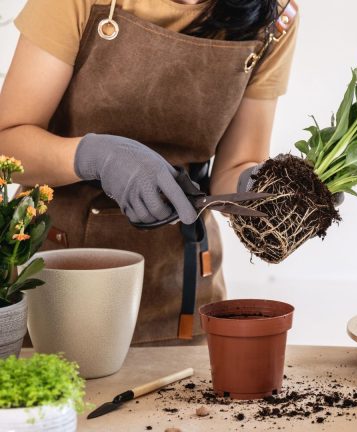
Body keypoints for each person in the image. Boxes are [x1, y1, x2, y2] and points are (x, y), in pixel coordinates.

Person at [0, 0, 299, 345]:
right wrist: (96, 157)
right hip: (56, 278)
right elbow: (8, 144)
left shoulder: (273, 17)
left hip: (181, 289)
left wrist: (263, 187)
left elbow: (234, 168)